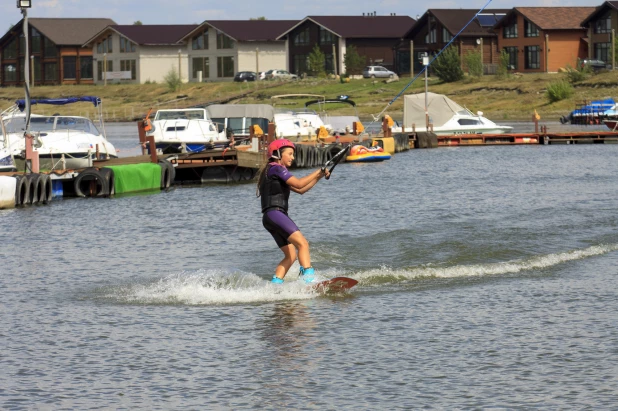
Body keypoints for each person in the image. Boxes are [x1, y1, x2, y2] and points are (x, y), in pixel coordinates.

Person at [256, 139, 330, 284]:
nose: (293, 157)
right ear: (278, 154)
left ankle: (275, 285)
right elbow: (299, 183)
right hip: (276, 214)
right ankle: (309, 280)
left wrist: (318, 177)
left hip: (269, 218)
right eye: (289, 154)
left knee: (290, 256)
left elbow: (300, 190)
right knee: (303, 244)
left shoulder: (270, 171)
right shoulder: (277, 168)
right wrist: (317, 171)